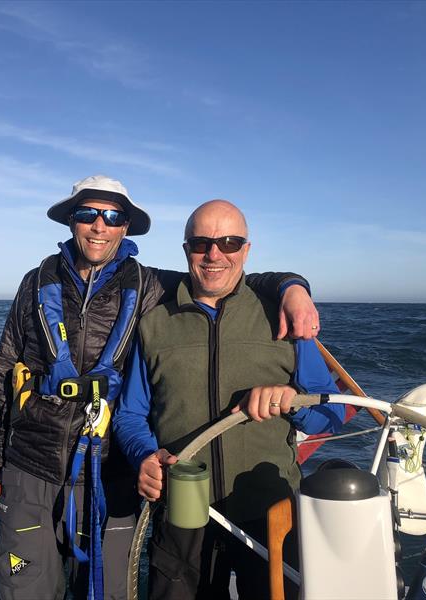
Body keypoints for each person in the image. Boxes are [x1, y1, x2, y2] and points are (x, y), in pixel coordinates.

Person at [0, 177, 321, 600]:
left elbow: (221, 280)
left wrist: (292, 286)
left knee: (107, 591)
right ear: (72, 221)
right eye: (88, 214)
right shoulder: (36, 284)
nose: (99, 226)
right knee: (23, 586)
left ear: (126, 226)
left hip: (110, 468)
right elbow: (5, 368)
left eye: (113, 216)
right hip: (32, 459)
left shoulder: (148, 284)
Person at [113, 199, 346, 600]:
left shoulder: (283, 317)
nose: (215, 254)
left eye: (229, 242)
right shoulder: (153, 324)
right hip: (181, 512)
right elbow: (130, 415)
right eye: (202, 242)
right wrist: (144, 457)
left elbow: (333, 413)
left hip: (269, 512)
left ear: (247, 250)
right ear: (186, 249)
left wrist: (293, 400)